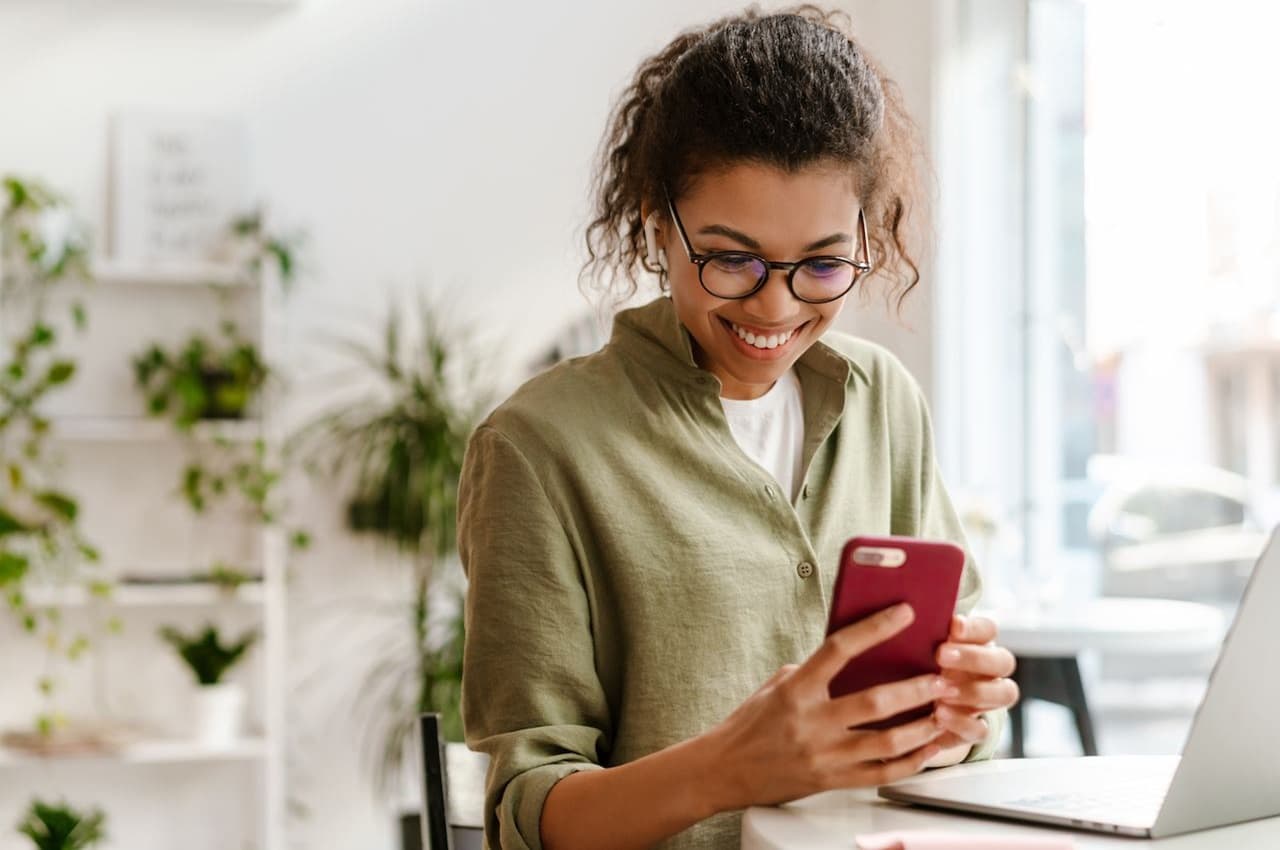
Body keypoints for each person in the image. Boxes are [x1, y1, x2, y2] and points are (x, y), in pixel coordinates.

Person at [457, 7, 1019, 850]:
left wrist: (961, 716)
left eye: (823, 264)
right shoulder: (538, 447)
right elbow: (531, 817)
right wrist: (732, 767)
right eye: (731, 258)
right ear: (655, 220)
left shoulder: (882, 403)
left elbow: (956, 742)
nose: (775, 305)